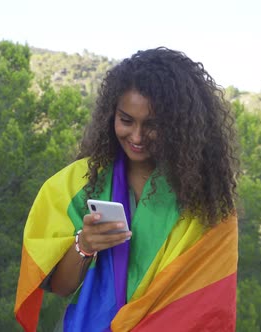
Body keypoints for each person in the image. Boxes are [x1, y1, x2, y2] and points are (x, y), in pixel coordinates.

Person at [14, 47, 239, 331]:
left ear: (178, 126)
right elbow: (60, 286)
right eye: (126, 120)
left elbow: (204, 306)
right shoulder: (80, 183)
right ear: (112, 116)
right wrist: (85, 245)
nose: (137, 136)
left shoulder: (207, 200)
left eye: (152, 125)